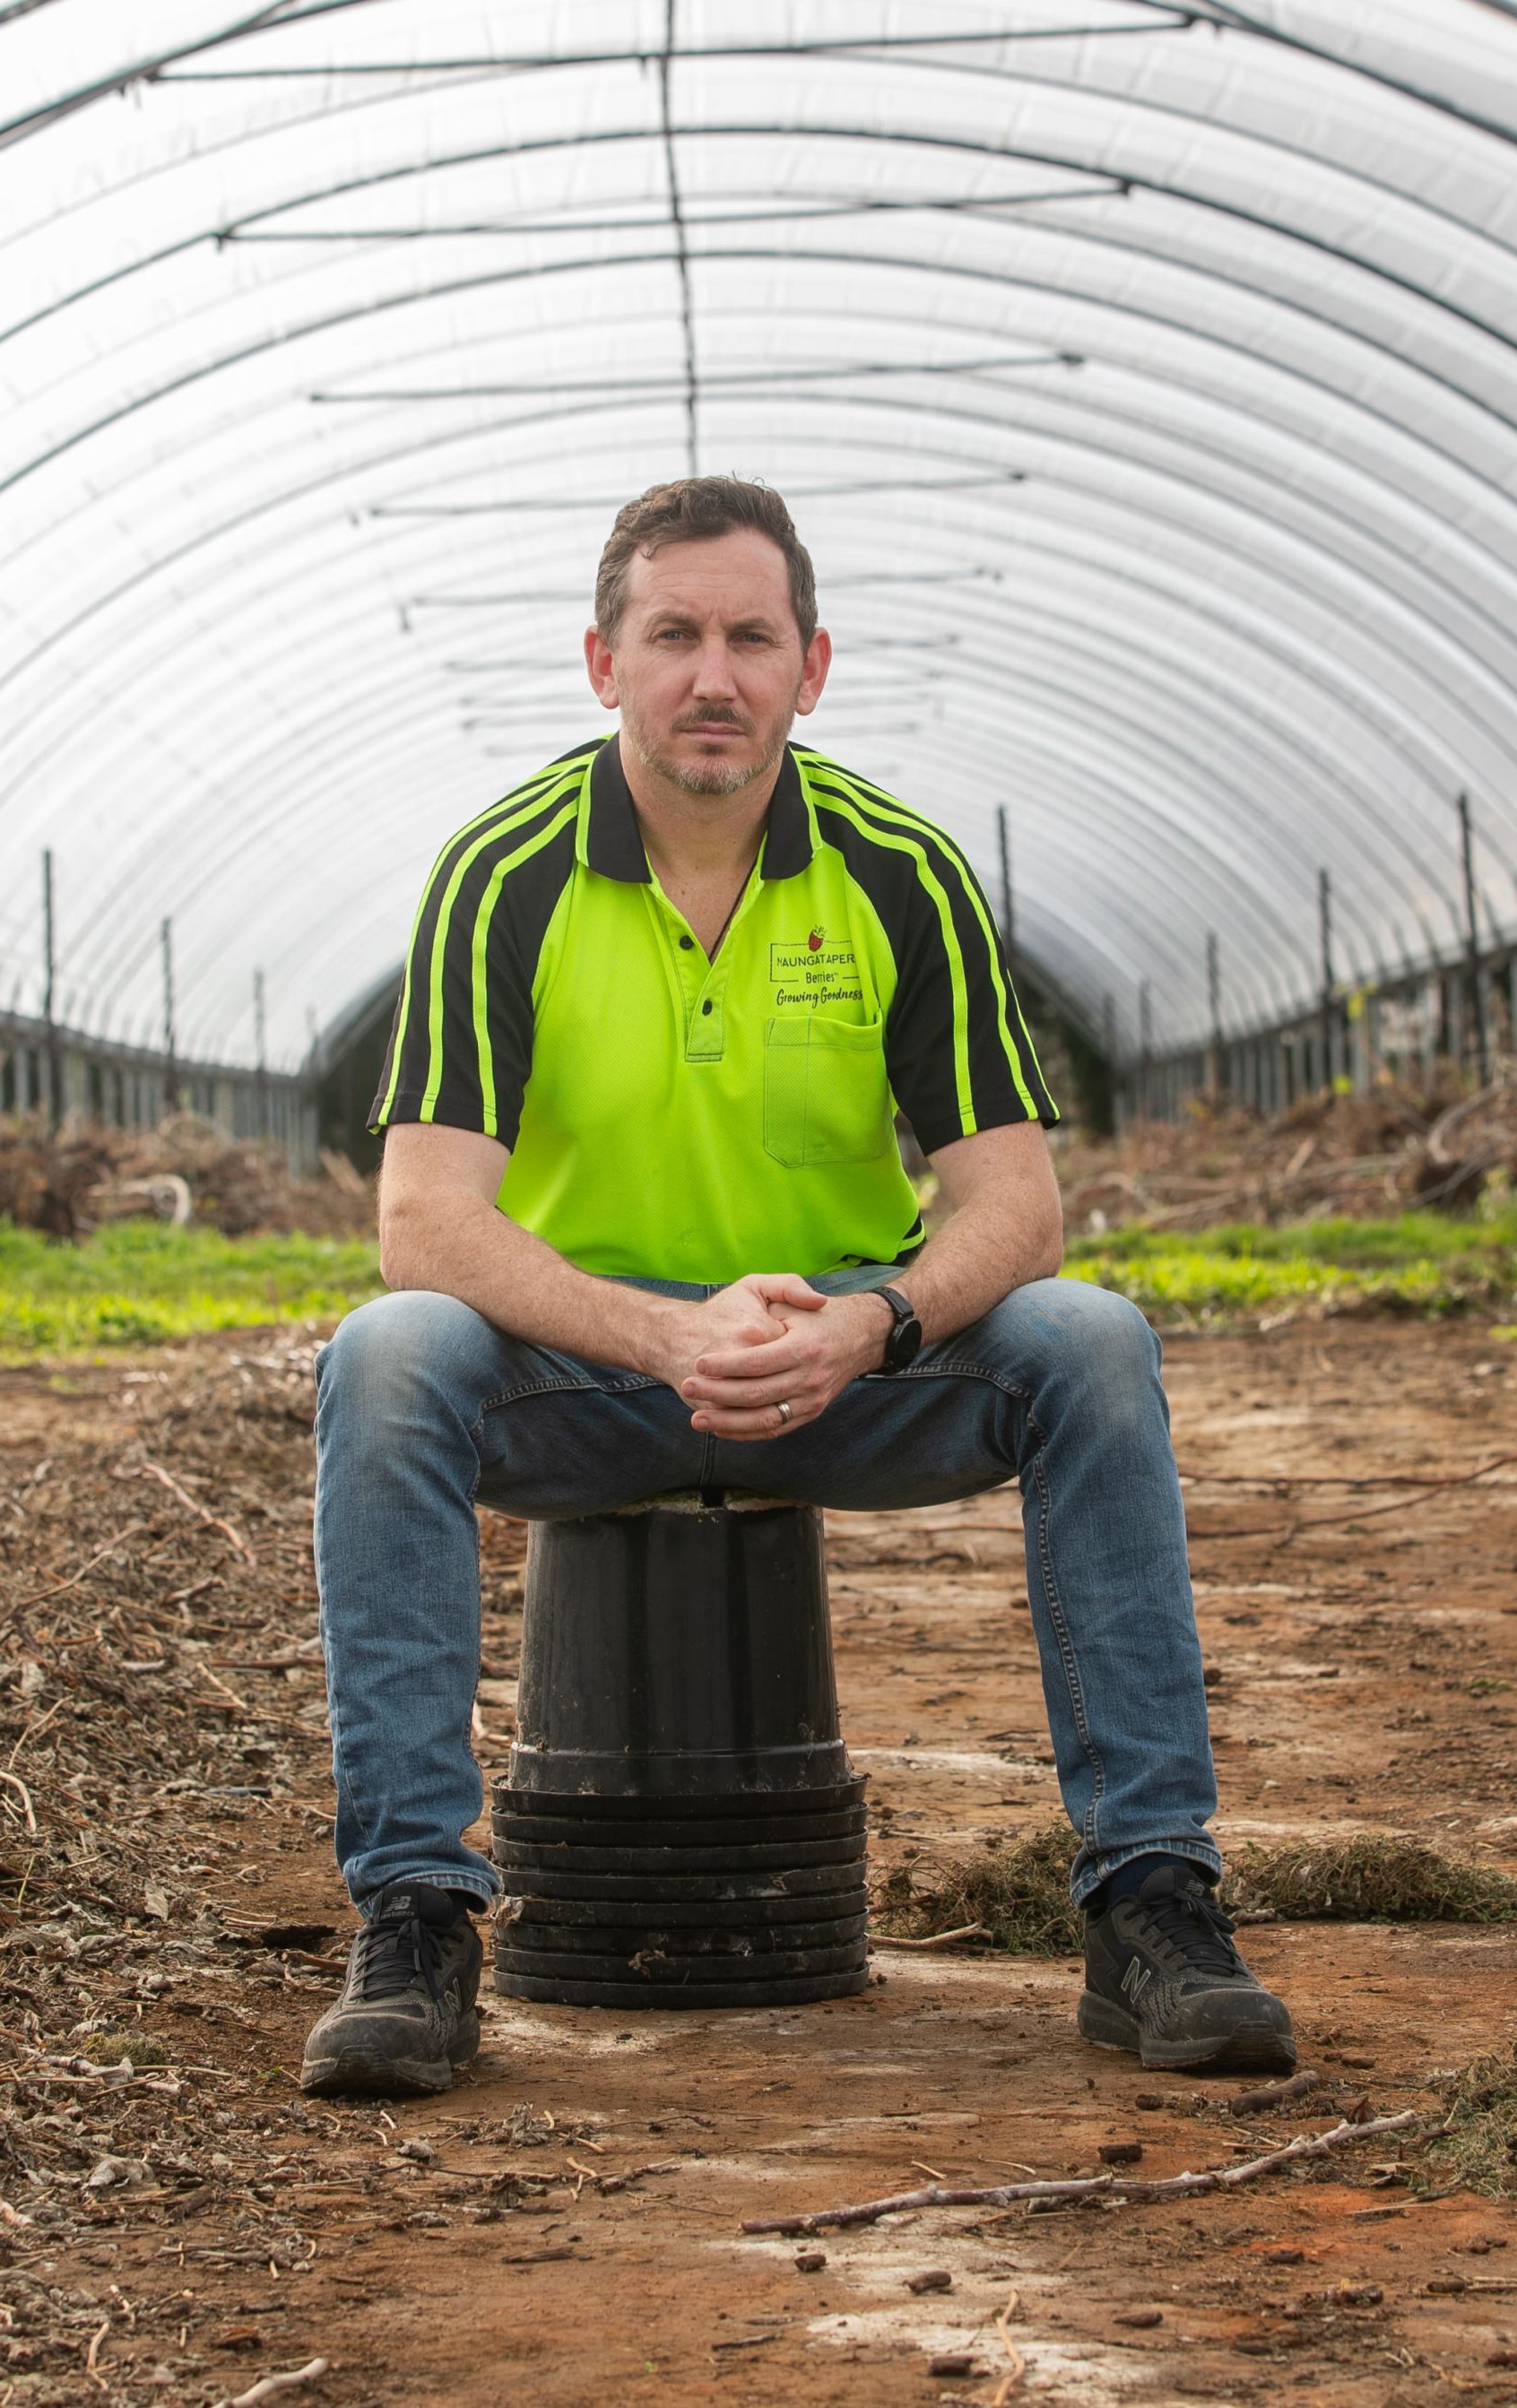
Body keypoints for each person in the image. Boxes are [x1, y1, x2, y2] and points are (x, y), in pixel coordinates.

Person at [299, 476, 1294, 2098]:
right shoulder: (504, 874)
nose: (714, 673)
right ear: (602, 662)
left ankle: (1153, 1904)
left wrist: (872, 1322)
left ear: (811, 667)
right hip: (590, 1370)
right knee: (392, 1350)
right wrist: (655, 1331)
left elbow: (1015, 1201)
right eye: (672, 633)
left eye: (751, 636)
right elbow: (424, 1220)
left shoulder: (899, 871)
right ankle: (416, 1920)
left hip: (845, 1369)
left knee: (1089, 1340)